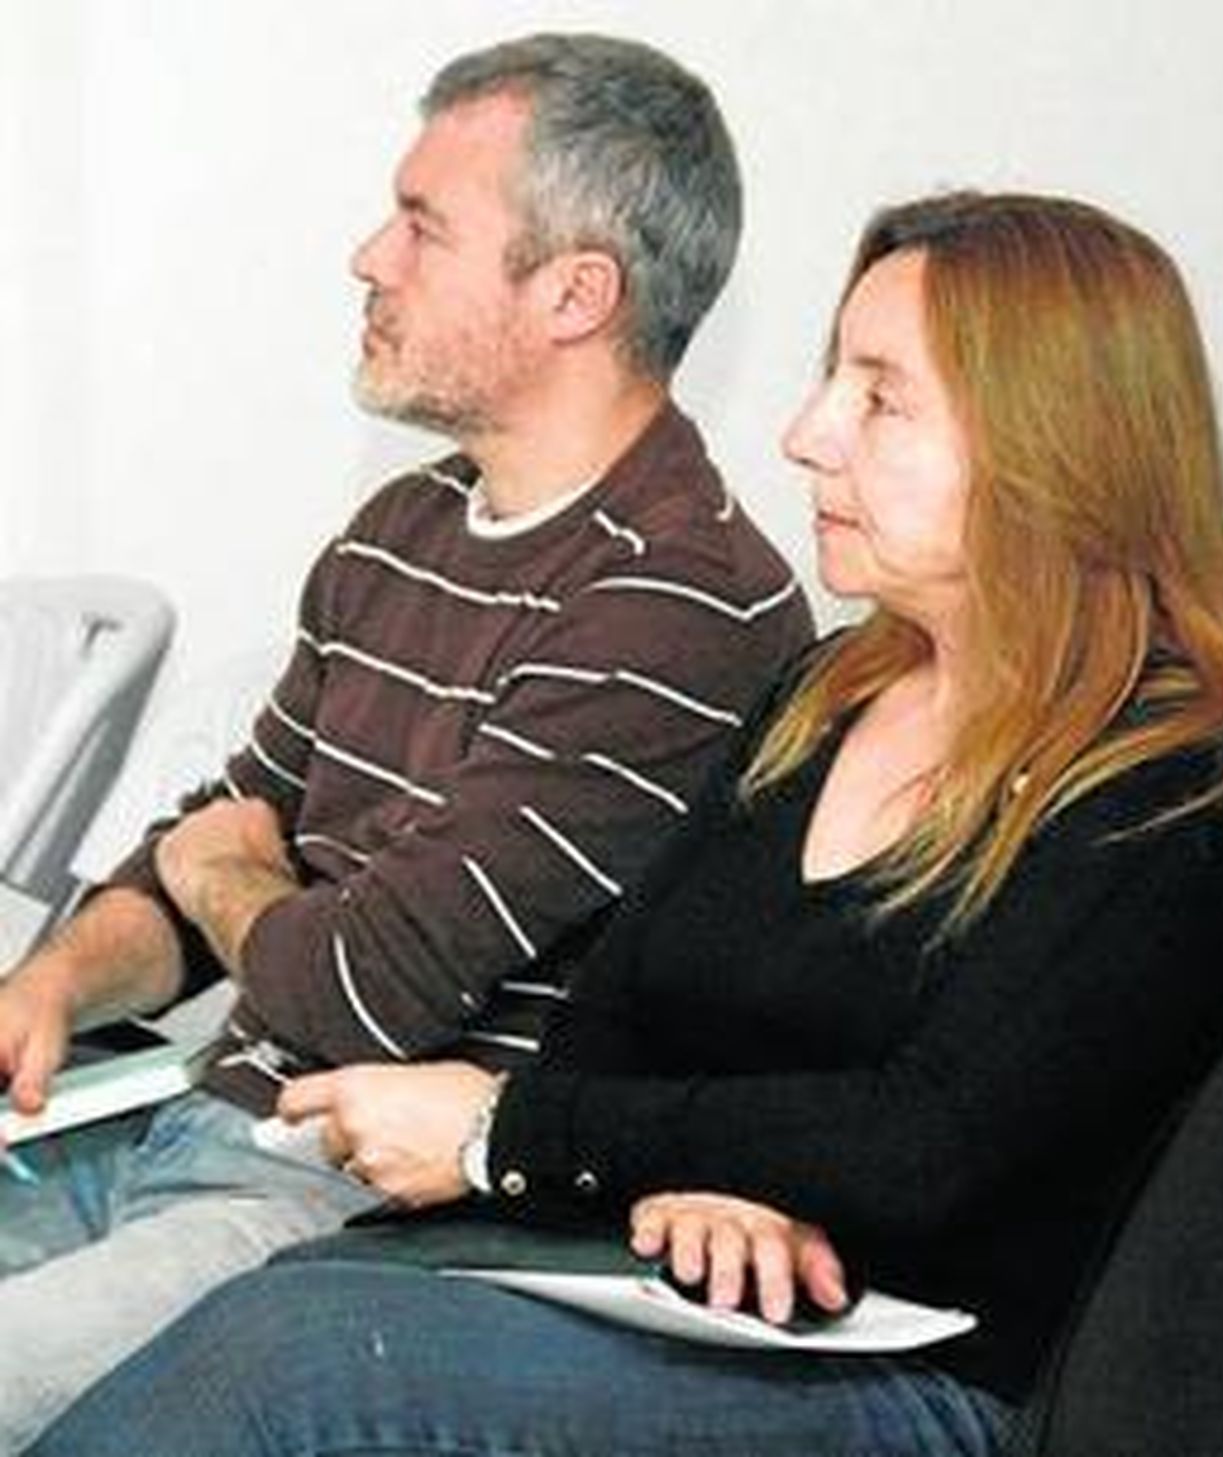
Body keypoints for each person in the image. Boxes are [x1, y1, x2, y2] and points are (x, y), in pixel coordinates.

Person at [31, 191, 1223, 1457]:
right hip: (697, 1289)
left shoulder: (1190, 782)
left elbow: (929, 1140)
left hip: (930, 1379)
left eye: (880, 397)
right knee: (291, 1316)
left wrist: (511, 1135)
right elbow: (616, 1029)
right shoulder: (822, 698)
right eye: (836, 378)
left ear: (1061, 441)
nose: (807, 433)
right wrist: (686, 1181)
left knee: (284, 1357)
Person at [0, 31, 811, 1450]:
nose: (370, 256)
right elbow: (211, 849)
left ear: (576, 293)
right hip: (180, 1128)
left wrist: (217, 877)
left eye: (425, 225)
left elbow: (357, 988)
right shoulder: (401, 535)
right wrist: (61, 978)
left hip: (355, 1207)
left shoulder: (685, 602)